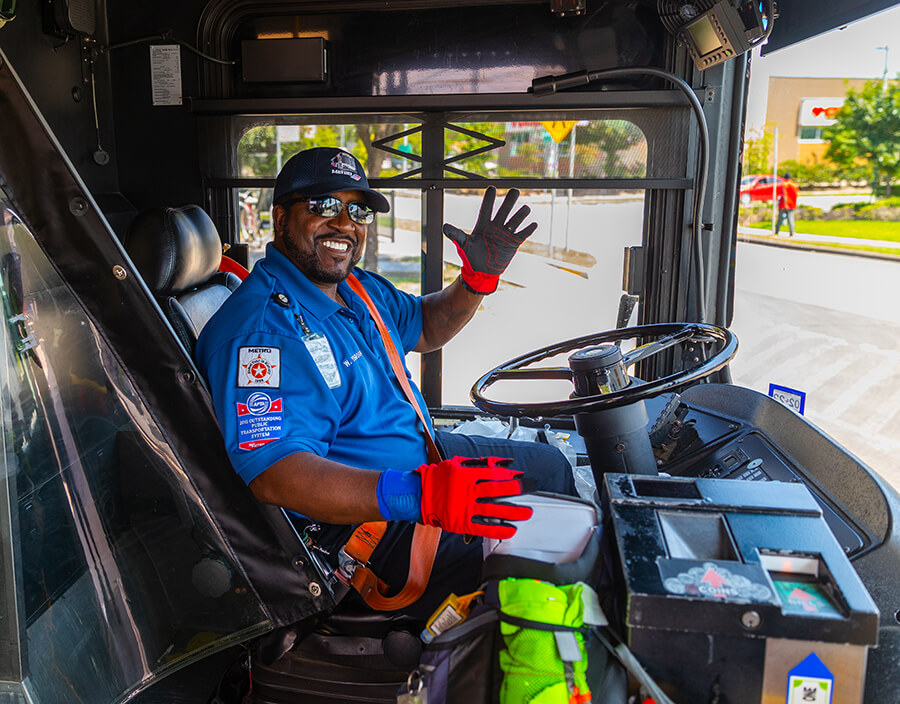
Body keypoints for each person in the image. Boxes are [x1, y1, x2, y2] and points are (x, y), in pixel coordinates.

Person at [195, 147, 575, 618]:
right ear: (279, 217)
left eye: (358, 211)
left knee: (553, 471)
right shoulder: (263, 335)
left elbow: (426, 326)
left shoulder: (357, 287)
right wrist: (418, 495)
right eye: (323, 206)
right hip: (375, 529)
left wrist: (476, 280)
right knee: (552, 550)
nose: (344, 223)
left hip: (424, 462)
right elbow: (277, 475)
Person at [775, 172, 799, 237]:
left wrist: (786, 204)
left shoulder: (784, 184)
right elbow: (796, 194)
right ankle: (792, 232)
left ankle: (776, 231)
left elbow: (784, 195)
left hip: (783, 205)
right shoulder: (794, 184)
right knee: (790, 219)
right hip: (792, 205)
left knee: (780, 219)